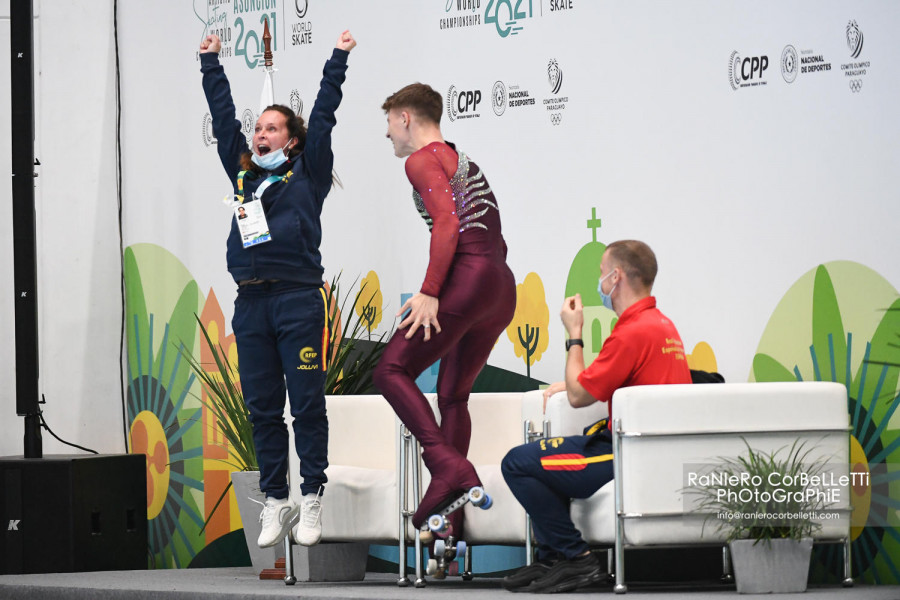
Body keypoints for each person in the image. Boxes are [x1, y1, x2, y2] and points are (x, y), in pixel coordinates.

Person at [198, 30, 356, 549]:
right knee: (262, 408)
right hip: (251, 304)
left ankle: (311, 495)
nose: (261, 135)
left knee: (306, 404)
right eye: (259, 128)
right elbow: (224, 121)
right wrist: (211, 65)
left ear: (291, 139)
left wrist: (337, 61)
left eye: (272, 128)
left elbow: (326, 116)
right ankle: (275, 498)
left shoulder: (309, 173)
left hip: (296, 301)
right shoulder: (243, 174)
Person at [501, 240, 692, 593]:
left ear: (616, 277)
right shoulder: (661, 325)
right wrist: (574, 382)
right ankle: (554, 556)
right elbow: (592, 383)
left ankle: (577, 559)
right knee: (543, 458)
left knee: (518, 463)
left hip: (625, 453)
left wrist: (574, 332)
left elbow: (577, 396)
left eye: (602, 273)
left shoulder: (632, 332)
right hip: (634, 445)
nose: (600, 282)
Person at [373, 83, 517, 544]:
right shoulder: (460, 157)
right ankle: (448, 530)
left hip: (469, 278)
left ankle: (449, 466)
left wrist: (432, 290)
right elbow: (490, 230)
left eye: (389, 123)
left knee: (390, 370)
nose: (388, 135)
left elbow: (449, 223)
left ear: (405, 118)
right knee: (453, 396)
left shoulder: (421, 159)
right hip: (499, 284)